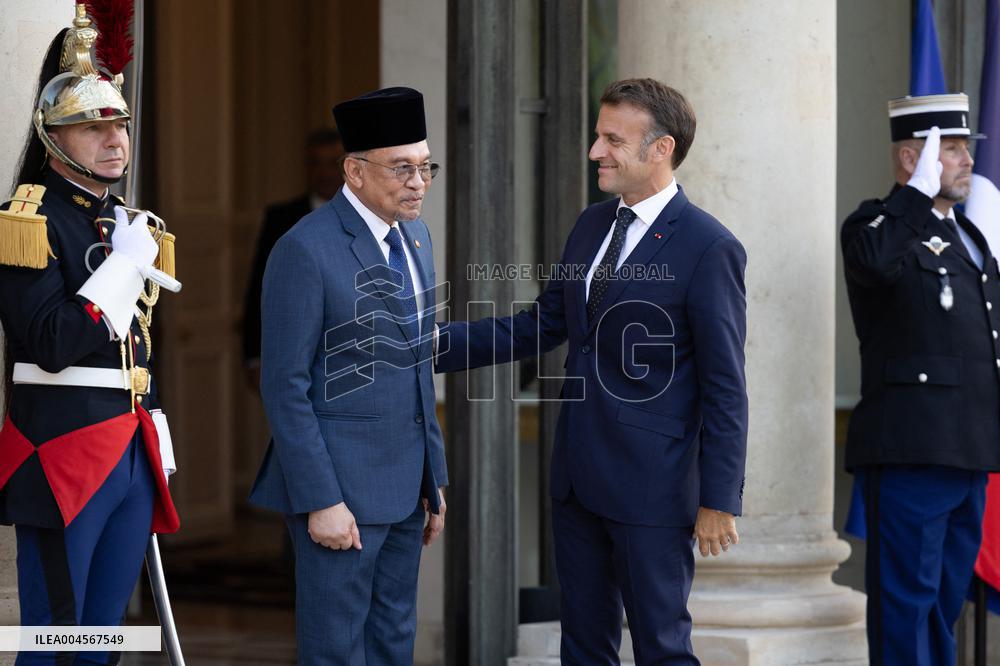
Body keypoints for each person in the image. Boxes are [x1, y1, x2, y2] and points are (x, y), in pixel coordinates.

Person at [435, 78, 748, 665]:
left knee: (662, 649)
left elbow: (726, 384)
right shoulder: (592, 224)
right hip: (576, 478)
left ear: (662, 149)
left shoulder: (709, 247)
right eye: (597, 136)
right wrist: (432, 345)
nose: (594, 151)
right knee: (582, 648)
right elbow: (542, 325)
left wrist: (719, 498)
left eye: (612, 139)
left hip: (653, 488)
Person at [0, 5, 179, 663]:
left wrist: (154, 426)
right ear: (52, 136)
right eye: (90, 126)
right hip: (62, 454)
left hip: (130, 449)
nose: (114, 140)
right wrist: (119, 275)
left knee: (102, 641)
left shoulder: (128, 223)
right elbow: (47, 341)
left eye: (119, 124)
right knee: (54, 640)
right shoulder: (26, 220)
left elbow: (139, 347)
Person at [249, 87, 448, 665]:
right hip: (338, 494)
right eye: (402, 168)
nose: (418, 182)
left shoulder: (416, 238)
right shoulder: (304, 249)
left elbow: (417, 370)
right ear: (354, 172)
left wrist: (432, 479)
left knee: (393, 645)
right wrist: (321, 500)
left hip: (406, 489)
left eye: (425, 167)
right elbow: (285, 387)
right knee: (335, 650)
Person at [841, 93, 996, 666]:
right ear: (913, 158)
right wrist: (913, 198)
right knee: (905, 604)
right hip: (910, 450)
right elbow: (876, 264)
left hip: (970, 450)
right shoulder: (877, 225)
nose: (966, 161)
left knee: (942, 602)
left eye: (964, 149)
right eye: (950, 150)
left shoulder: (972, 239)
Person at [241, 128, 345, 392]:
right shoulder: (281, 218)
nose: (323, 172)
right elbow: (259, 288)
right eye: (314, 163)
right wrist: (254, 356)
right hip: (292, 355)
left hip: (346, 357)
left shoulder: (365, 217)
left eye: (330, 164)